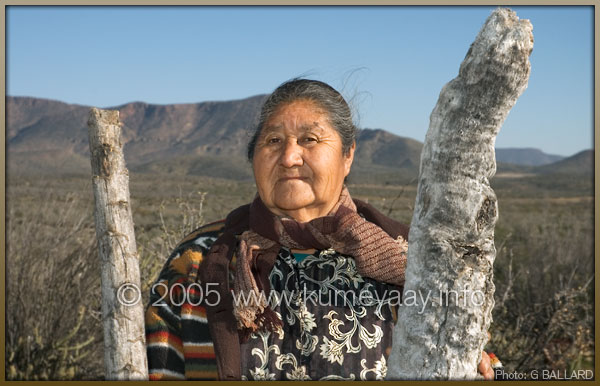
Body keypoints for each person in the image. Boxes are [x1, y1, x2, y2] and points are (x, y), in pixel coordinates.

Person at [145, 79, 494, 381]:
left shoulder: (413, 259)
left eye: (309, 139)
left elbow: (476, 359)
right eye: (273, 141)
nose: (289, 157)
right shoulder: (200, 258)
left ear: (348, 156)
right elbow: (156, 369)